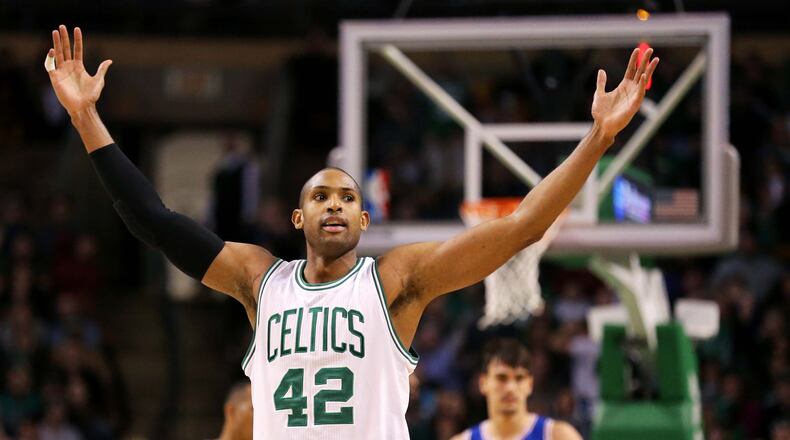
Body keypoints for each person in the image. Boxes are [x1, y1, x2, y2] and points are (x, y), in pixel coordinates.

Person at [45, 25, 658, 439]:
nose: (334, 205)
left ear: (365, 221)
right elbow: (153, 220)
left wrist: (599, 138)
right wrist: (86, 116)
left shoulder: (399, 279)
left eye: (347, 197)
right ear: (298, 218)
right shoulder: (259, 279)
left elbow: (523, 226)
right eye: (320, 196)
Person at [450, 339, 582, 440]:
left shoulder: (558, 436)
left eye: (519, 378)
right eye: (501, 378)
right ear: (483, 383)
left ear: (530, 384)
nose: (510, 388)